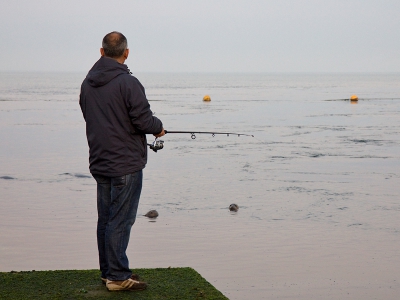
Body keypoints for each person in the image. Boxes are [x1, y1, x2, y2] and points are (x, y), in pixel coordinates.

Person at [79, 31, 165, 291]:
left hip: (100, 160)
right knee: (121, 220)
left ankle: (109, 272)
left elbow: (90, 115)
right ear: (126, 53)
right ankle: (117, 276)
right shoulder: (129, 83)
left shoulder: (87, 83)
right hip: (125, 163)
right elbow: (143, 121)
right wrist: (158, 127)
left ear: (102, 51)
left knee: (106, 218)